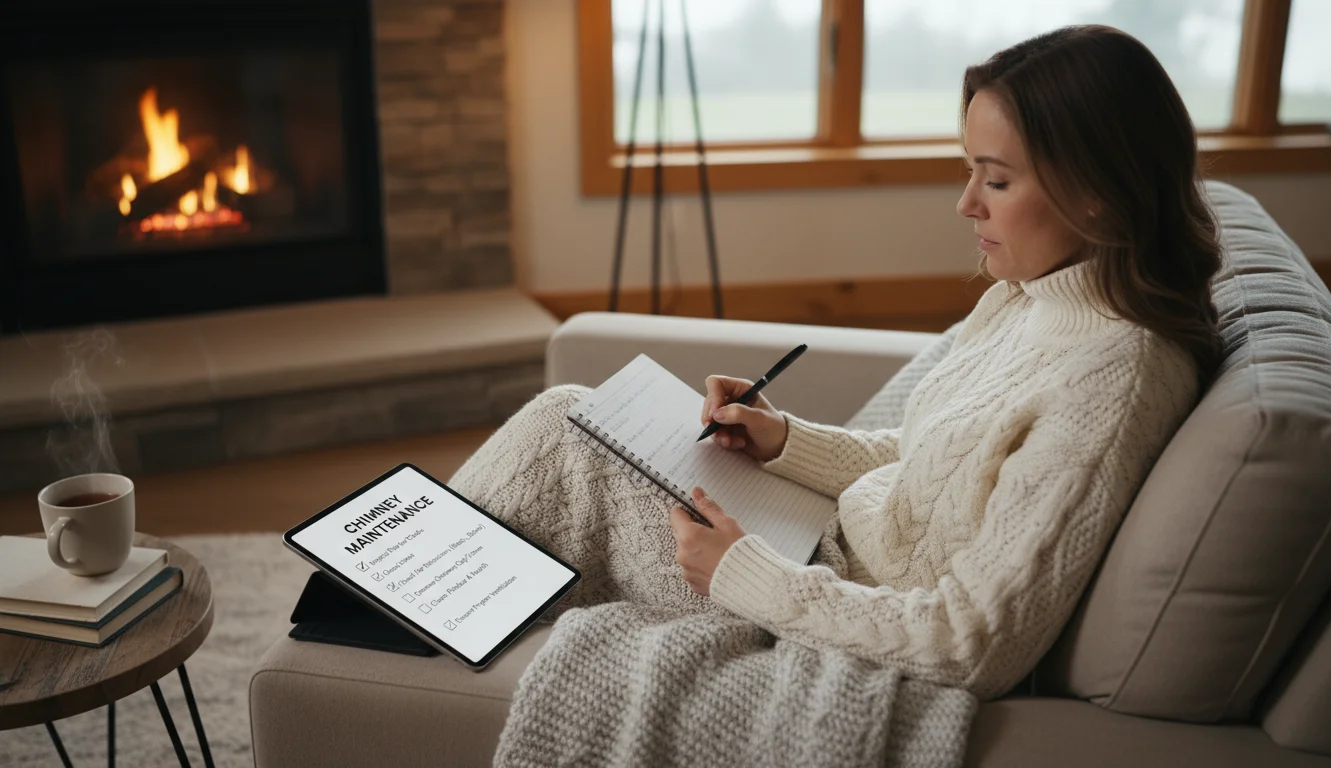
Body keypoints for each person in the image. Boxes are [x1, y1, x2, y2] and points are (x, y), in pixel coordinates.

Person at [447, 24, 1221, 700]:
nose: (966, 204)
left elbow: (973, 642)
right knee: (574, 415)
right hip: (810, 544)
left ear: (1097, 192)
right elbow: (933, 463)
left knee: (563, 436)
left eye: (997, 179)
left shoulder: (1114, 379)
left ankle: (394, 634)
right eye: (969, 171)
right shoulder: (1035, 295)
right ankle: (410, 608)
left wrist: (742, 574)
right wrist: (782, 440)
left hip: (817, 607)